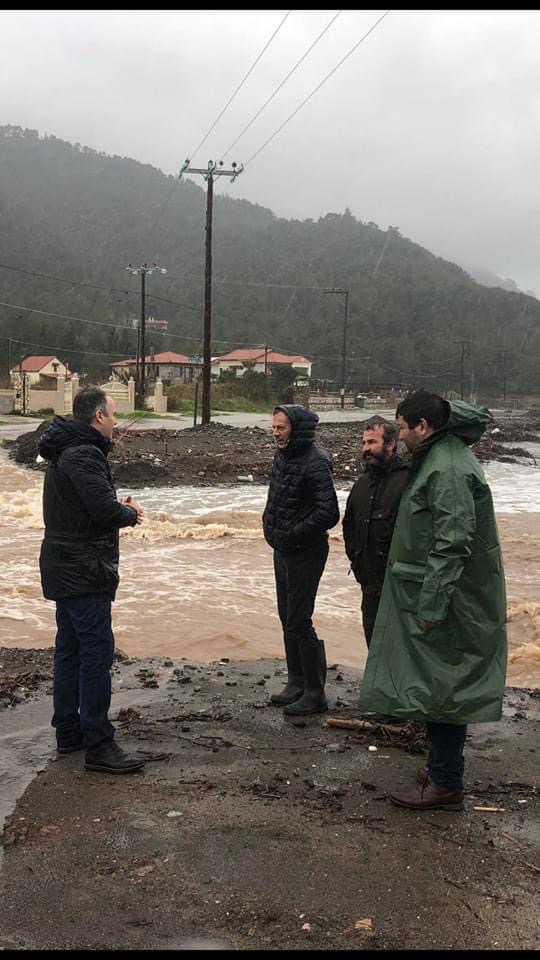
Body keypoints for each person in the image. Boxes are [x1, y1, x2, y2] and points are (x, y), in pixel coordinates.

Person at [359, 391, 507, 811]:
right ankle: (442, 771)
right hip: (447, 593)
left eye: (403, 427)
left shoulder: (448, 467)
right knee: (439, 683)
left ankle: (446, 784)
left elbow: (453, 541)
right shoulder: (441, 456)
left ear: (422, 427)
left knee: (444, 687)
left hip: (452, 599)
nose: (400, 435)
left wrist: (432, 604)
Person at [39, 386, 146, 774]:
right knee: (96, 652)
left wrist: (115, 507)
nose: (116, 422)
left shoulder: (64, 449)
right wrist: (130, 513)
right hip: (83, 568)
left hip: (64, 563)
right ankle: (99, 744)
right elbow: (102, 510)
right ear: (98, 416)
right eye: (113, 415)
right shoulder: (84, 453)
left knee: (69, 648)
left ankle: (69, 731)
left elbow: (82, 506)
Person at [262, 404, 339, 716]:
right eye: (274, 427)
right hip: (282, 548)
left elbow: (329, 512)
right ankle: (296, 682)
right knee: (286, 616)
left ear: (297, 429)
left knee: (299, 619)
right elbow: (276, 497)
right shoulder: (283, 455)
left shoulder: (317, 461)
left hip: (306, 551)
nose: (275, 433)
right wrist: (268, 525)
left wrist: (293, 533)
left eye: (281, 428)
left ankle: (315, 692)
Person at [342, 417, 409, 648]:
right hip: (369, 585)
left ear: (390, 444)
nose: (366, 449)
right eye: (364, 443)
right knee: (374, 647)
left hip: (399, 588)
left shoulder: (408, 480)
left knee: (399, 650)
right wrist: (356, 559)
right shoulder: (361, 484)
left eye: (372, 442)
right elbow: (349, 525)